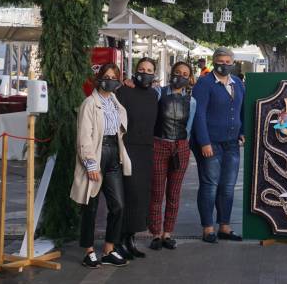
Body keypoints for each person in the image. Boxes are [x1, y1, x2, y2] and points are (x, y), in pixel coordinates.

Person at [70, 63, 131, 268]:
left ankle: (108, 249)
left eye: (114, 76)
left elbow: (119, 128)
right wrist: (90, 164)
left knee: (118, 205)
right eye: (107, 76)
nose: (110, 79)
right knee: (91, 206)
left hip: (114, 153)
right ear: (99, 78)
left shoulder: (114, 100)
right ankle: (88, 251)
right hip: (97, 154)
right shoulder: (89, 103)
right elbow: (84, 137)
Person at [191, 47, 245, 243]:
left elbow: (242, 110)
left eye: (228, 62)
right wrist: (204, 142)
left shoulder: (237, 83)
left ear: (233, 63)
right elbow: (199, 114)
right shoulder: (204, 84)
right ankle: (207, 228)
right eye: (220, 61)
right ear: (214, 62)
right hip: (211, 143)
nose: (224, 65)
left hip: (231, 143)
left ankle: (225, 226)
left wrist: (243, 132)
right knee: (210, 185)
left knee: (228, 186)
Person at [148, 61, 196, 250]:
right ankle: (156, 233)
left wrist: (183, 145)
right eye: (178, 72)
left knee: (174, 193)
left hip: (180, 147)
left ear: (189, 77)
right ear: (171, 73)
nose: (181, 76)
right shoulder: (159, 93)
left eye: (185, 74)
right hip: (159, 144)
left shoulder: (192, 101)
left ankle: (168, 233)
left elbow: (189, 127)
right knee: (157, 192)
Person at [115, 58, 159, 260]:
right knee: (126, 194)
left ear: (154, 74)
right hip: (127, 148)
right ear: (135, 71)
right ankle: (118, 240)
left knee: (140, 197)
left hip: (146, 151)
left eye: (149, 70)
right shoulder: (124, 91)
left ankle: (130, 238)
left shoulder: (153, 95)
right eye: (141, 69)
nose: (145, 72)